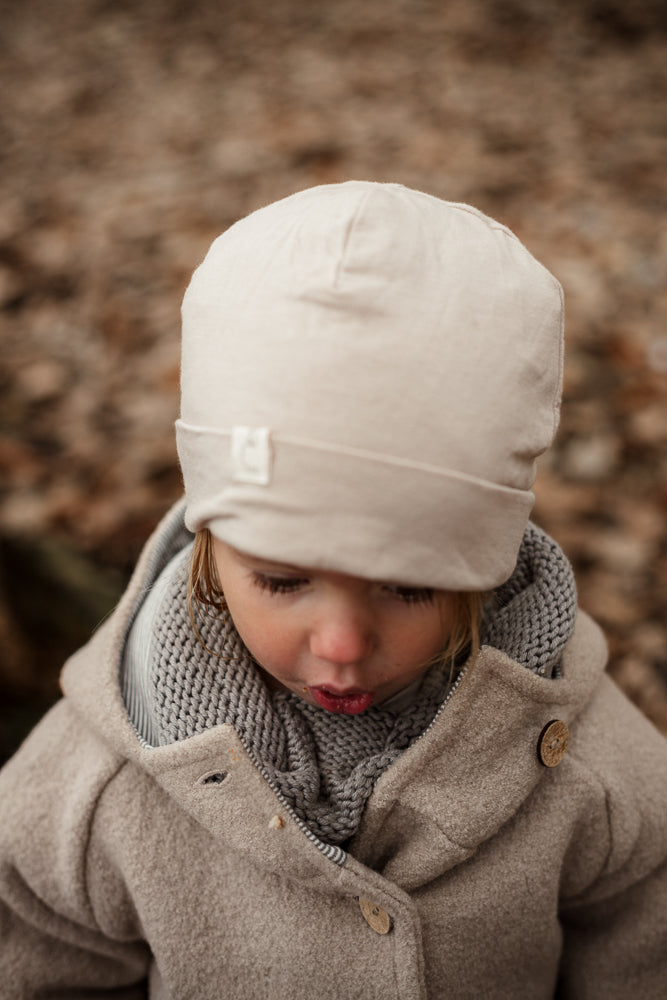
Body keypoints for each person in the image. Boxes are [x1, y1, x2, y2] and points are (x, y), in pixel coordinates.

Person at [0, 182, 665, 999]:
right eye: (281, 581)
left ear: (483, 570)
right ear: (211, 545)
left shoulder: (583, 761)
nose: (342, 644)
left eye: (409, 589)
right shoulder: (97, 786)